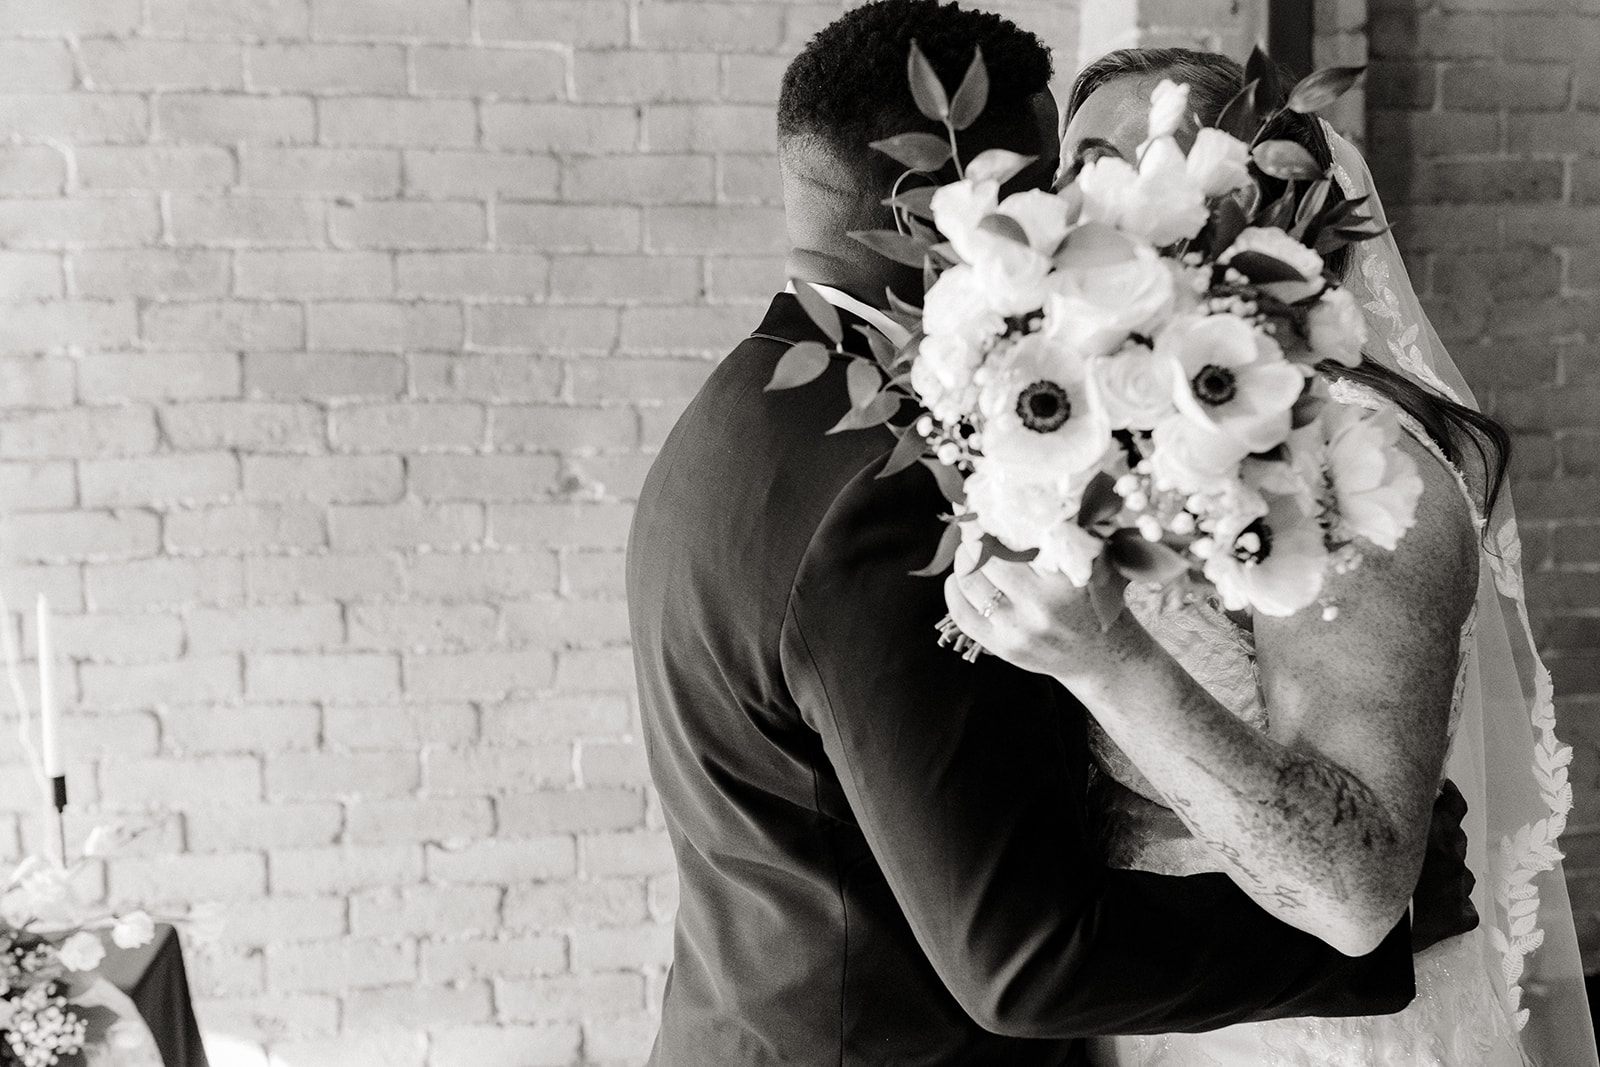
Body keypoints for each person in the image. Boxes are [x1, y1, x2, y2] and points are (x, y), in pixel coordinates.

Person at [628, 6, 1480, 1064]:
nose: (1075, 219)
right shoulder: (896, 475)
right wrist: (1384, 937)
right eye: (1054, 184)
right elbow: (1022, 958)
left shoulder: (743, 414)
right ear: (928, 201)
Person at [945, 46, 1599, 1066]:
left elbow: (1354, 895)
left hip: (1320, 1036)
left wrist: (1104, 661)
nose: (1094, 211)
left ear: (1257, 205)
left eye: (1142, 171)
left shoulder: (1352, 462)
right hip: (1159, 1013)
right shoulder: (1098, 435)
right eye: (1078, 176)